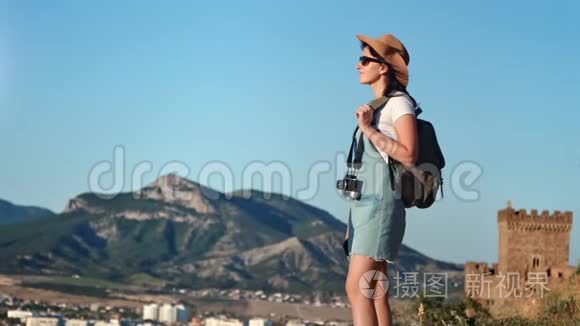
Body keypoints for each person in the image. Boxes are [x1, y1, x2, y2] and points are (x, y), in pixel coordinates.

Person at [344, 33, 419, 326]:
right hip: (366, 207)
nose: (357, 65)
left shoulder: (400, 104)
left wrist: (368, 129)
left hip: (381, 206)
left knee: (357, 288)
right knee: (374, 290)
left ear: (383, 66)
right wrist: (351, 221)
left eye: (364, 59)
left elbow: (409, 154)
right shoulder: (380, 106)